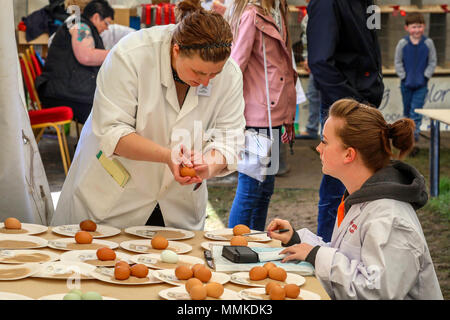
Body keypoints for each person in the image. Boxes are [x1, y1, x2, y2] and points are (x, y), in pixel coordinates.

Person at [51, 0, 245, 230]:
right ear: (176, 49)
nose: (205, 81)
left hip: (177, 207)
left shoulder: (230, 74)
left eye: (214, 74)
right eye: (198, 72)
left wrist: (209, 164)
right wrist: (167, 156)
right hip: (112, 201)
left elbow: (230, 138)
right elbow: (113, 131)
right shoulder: (131, 55)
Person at [267, 99, 443, 300]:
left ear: (349, 154)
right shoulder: (361, 196)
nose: (318, 148)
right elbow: (348, 259)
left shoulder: (391, 219)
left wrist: (316, 254)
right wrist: (299, 241)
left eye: (325, 141)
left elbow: (377, 293)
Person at [307, 0, 385, 242]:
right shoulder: (327, 3)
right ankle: (327, 254)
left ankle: (350, 252)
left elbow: (369, 48)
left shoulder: (367, 3)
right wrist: (351, 105)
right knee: (336, 186)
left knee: (359, 185)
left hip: (363, 103)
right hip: (344, 108)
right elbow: (320, 61)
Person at [225, 0, 297, 231]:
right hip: (257, 117)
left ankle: (254, 242)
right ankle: (233, 243)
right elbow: (236, 65)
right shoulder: (251, 15)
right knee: (250, 186)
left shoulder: (276, 11)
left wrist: (287, 115)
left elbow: (283, 69)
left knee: (265, 187)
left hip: (274, 116)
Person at [35, 0, 113, 124]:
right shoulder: (80, 25)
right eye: (106, 23)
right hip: (60, 95)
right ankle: (90, 144)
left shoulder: (78, 22)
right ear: (97, 17)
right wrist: (115, 53)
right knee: (107, 113)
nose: (106, 28)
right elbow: (86, 56)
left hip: (60, 90)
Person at [395, 12, 437, 151]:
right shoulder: (402, 43)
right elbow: (398, 61)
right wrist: (403, 77)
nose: (417, 30)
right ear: (407, 28)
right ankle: (405, 139)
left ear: (423, 27)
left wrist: (425, 77)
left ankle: (414, 142)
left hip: (421, 86)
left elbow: (432, 61)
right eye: (414, 27)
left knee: (415, 113)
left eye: (419, 27)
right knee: (407, 112)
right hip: (406, 85)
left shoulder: (428, 43)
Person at [297, 0, 320, 140]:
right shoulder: (308, 16)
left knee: (328, 98)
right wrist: (307, 58)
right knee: (313, 95)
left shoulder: (324, 10)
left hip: (325, 61)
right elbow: (307, 40)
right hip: (316, 62)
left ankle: (326, 130)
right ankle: (312, 128)